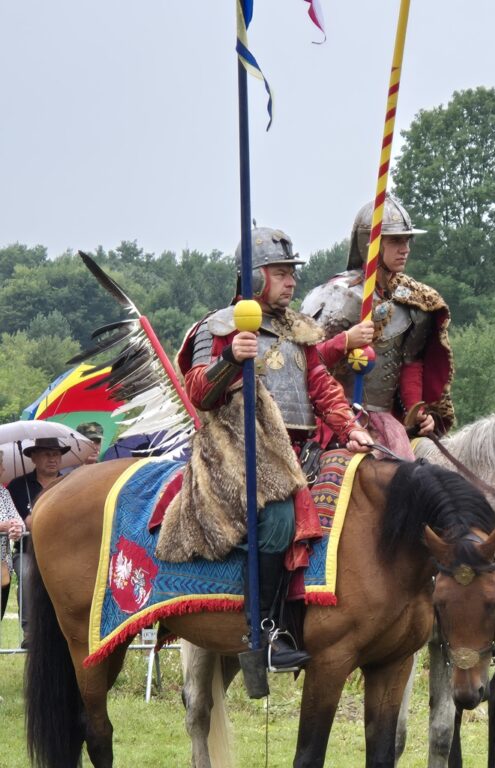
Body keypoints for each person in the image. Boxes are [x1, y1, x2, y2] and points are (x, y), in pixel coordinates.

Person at [179, 226, 373, 670]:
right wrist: (231, 361)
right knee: (280, 516)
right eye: (282, 273)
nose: (292, 282)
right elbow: (199, 393)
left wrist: (349, 429)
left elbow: (321, 387)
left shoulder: (301, 331)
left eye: (292, 273)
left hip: (297, 452)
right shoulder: (221, 326)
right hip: (235, 450)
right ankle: (264, 628)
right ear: (253, 278)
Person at [301, 193, 455, 460]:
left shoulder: (415, 301)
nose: (405, 248)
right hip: (337, 419)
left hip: (387, 422)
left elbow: (411, 364)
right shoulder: (336, 296)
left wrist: (416, 413)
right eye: (395, 241)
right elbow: (304, 364)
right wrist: (345, 341)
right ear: (370, 243)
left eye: (407, 240)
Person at [6, 436, 68, 646]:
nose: (53, 459)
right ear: (33, 457)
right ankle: (30, 633)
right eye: (47, 454)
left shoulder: (70, 483)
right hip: (27, 551)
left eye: (57, 454)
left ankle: (70, 629)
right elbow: (19, 522)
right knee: (25, 573)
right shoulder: (17, 486)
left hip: (66, 551)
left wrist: (39, 519)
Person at [0, 486, 25, 620]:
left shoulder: (3, 492)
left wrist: (17, 528)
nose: (2, 469)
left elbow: (18, 520)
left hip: (2, 567)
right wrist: (2, 526)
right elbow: (4, 525)